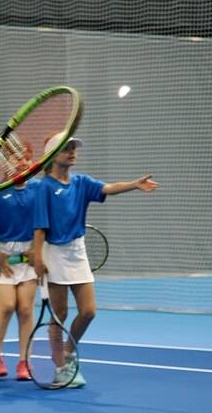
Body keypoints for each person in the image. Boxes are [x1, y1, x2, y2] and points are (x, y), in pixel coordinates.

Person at [31, 133, 158, 387]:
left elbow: (108, 188)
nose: (73, 152)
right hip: (53, 251)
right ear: (53, 156)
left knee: (88, 311)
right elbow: (39, 227)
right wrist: (37, 257)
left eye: (74, 148)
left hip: (78, 252)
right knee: (60, 314)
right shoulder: (44, 187)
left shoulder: (81, 182)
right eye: (67, 148)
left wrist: (134, 184)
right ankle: (60, 367)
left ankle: (67, 351)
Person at [0, 144, 39, 381]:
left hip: (30, 256)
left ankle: (25, 362)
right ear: (5, 163)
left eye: (25, 158)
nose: (21, 163)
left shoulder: (39, 189)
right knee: (6, 305)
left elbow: (45, 222)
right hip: (1, 255)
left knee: (25, 308)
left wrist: (37, 248)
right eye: (15, 159)